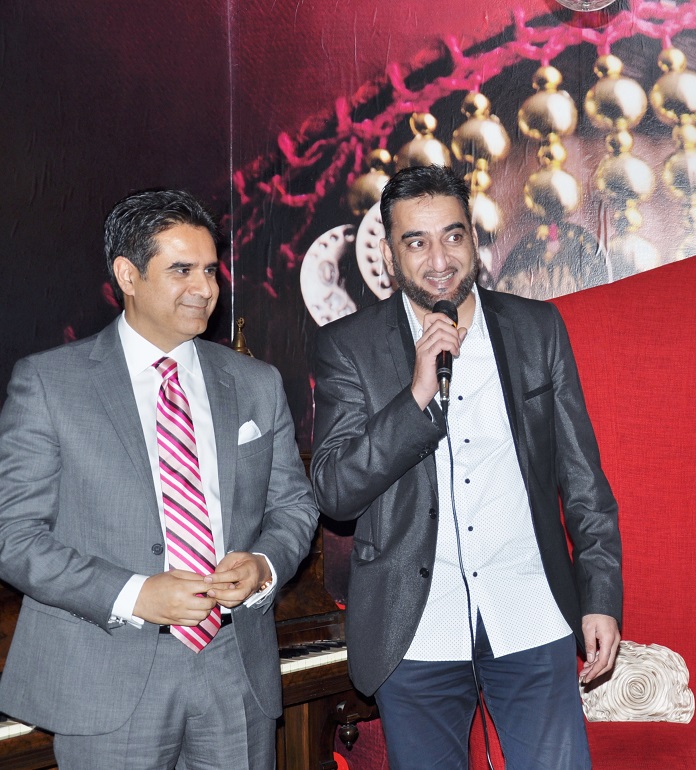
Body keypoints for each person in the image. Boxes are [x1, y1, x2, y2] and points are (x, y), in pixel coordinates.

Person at [310, 164, 622, 770]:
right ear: (390, 255)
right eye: (416, 242)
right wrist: (416, 397)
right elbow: (336, 492)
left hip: (529, 612)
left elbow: (584, 481)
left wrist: (601, 597)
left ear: (474, 239)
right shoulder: (349, 346)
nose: (439, 260)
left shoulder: (536, 329)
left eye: (453, 236)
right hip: (415, 628)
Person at [0, 190, 319, 770]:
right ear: (127, 275)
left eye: (210, 270)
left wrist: (263, 565)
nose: (205, 288)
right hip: (106, 673)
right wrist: (135, 594)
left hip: (234, 668)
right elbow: (14, 537)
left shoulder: (257, 382)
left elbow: (294, 505)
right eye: (181, 270)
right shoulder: (49, 384)